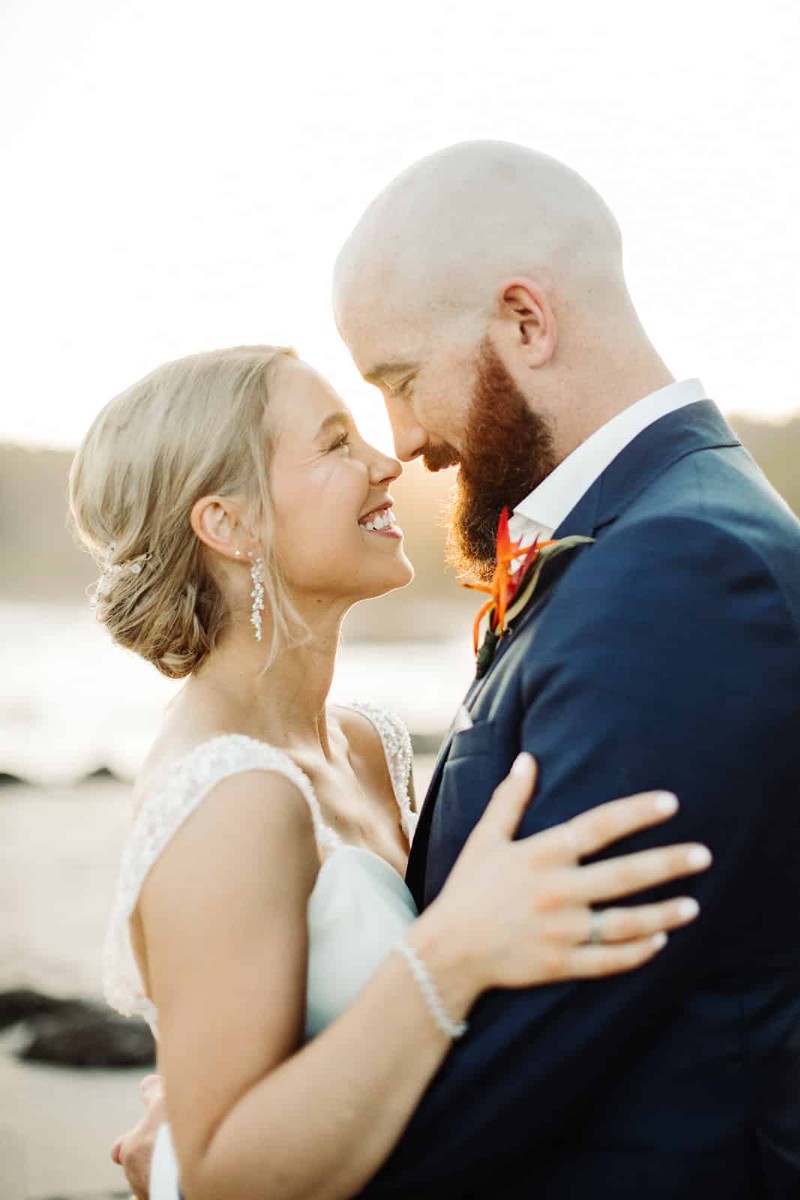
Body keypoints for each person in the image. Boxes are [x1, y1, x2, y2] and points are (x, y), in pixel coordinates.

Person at [71, 346, 709, 1200]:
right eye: (336, 444)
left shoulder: (364, 744)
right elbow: (224, 1176)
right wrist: (450, 956)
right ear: (230, 525)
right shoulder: (231, 799)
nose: (385, 463)